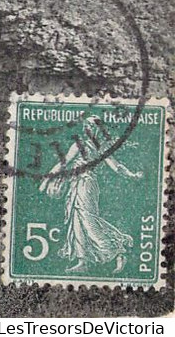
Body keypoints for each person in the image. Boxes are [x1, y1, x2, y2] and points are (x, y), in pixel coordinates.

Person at [39, 116, 141, 274]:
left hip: (86, 183)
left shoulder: (100, 147)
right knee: (77, 220)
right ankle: (83, 260)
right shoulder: (82, 144)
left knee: (88, 219)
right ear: (85, 128)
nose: (92, 130)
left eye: (95, 127)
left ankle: (117, 250)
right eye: (89, 126)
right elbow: (64, 162)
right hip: (76, 184)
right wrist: (47, 179)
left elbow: (116, 166)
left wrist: (132, 175)